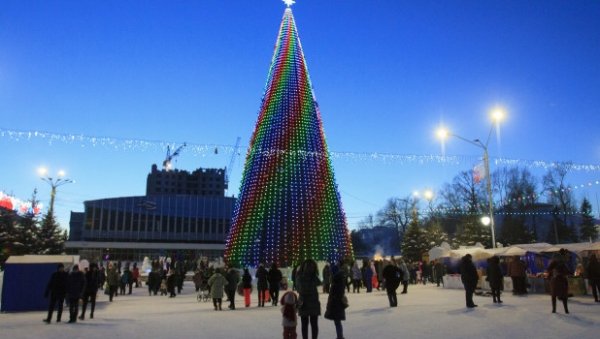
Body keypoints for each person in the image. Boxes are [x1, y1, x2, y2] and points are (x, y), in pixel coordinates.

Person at [296, 259, 321, 339]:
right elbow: (319, 282)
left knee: (304, 324)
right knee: (314, 324)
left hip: (304, 303)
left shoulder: (300, 277)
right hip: (314, 303)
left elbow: (298, 289)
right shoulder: (314, 277)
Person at [324, 264, 347, 339]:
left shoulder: (337, 280)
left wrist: (333, 300)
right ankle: (339, 336)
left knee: (337, 321)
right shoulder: (338, 279)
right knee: (337, 321)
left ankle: (340, 336)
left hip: (336, 304)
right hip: (337, 304)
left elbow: (337, 293)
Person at [546, 249, 571, 314]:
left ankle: (554, 310)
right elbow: (568, 272)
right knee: (564, 296)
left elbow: (548, 269)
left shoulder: (554, 262)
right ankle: (566, 310)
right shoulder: (563, 262)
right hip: (562, 280)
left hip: (555, 280)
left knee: (554, 295)